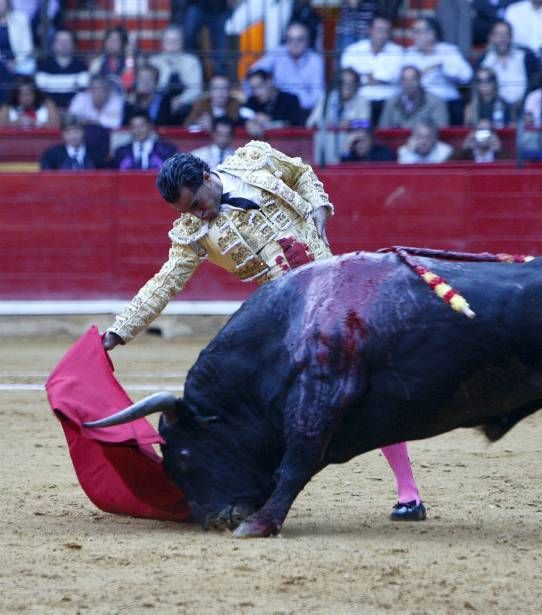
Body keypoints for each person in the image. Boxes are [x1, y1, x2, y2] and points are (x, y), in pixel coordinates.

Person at [102, 145, 427, 521]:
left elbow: (301, 171)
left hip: (336, 296)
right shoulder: (192, 233)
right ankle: (248, 493)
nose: (197, 214)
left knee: (366, 387)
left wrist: (319, 205)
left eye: (197, 204)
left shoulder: (254, 159)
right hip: (286, 321)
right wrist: (117, 333)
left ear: (207, 176)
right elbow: (163, 284)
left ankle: (409, 493)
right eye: (187, 211)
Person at [402, 16, 473, 125]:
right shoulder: (409, 54)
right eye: (414, 31)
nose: (413, 36)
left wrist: (444, 68)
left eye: (418, 32)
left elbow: (467, 75)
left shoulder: (448, 51)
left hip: (447, 102)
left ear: (431, 34)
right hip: (420, 105)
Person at [249, 21, 325, 120]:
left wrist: (293, 102)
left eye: (300, 39)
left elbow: (317, 96)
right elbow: (253, 73)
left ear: (308, 41)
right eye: (290, 39)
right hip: (278, 109)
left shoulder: (315, 60)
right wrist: (257, 95)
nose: (294, 44)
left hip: (305, 111)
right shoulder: (278, 52)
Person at [341, 13, 405, 125]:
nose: (383, 35)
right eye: (379, 30)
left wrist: (364, 78)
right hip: (360, 101)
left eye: (387, 31)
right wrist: (382, 80)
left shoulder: (399, 52)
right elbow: (347, 79)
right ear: (369, 30)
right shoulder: (352, 50)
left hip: (389, 102)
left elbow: (397, 78)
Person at [477, 19, 542, 109]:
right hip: (496, 110)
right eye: (498, 34)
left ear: (511, 37)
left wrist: (525, 101)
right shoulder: (485, 61)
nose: (502, 38)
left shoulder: (525, 56)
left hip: (525, 108)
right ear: (491, 38)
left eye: (506, 34)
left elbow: (536, 83)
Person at [148, 25, 204, 123]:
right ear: (163, 43)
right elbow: (152, 89)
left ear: (182, 42)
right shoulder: (154, 61)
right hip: (160, 104)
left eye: (176, 40)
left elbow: (196, 90)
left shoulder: (192, 61)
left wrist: (180, 100)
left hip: (185, 106)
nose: (172, 44)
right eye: (169, 41)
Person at [378, 64, 449, 128]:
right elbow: (383, 129)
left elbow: (441, 129)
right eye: (405, 80)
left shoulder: (436, 102)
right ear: (400, 82)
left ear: (419, 80)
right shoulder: (391, 103)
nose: (409, 84)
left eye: (413, 79)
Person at [35, 29, 89, 109]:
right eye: (59, 41)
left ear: (73, 45)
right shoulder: (43, 67)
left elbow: (83, 92)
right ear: (53, 45)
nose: (63, 44)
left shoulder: (81, 67)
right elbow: (41, 93)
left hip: (75, 110)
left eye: (67, 41)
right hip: (49, 111)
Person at [239, 69, 306, 129]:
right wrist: (250, 122)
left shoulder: (290, 100)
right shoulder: (252, 101)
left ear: (269, 82)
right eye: (253, 88)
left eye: (259, 86)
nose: (256, 92)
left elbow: (297, 124)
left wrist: (271, 120)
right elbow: (240, 117)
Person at [111, 111, 178, 171]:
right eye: (134, 127)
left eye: (141, 126)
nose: (138, 130)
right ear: (130, 129)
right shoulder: (121, 152)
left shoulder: (167, 150)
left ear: (150, 126)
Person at [182, 0, 230, 77]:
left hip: (219, 8)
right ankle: (191, 71)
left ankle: (220, 77)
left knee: (221, 43)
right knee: (188, 34)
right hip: (196, 5)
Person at [40, 114, 105, 170]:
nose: (73, 136)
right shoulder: (51, 155)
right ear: (62, 134)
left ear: (83, 132)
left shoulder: (96, 154)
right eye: (68, 132)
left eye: (76, 131)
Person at [0, 0, 35, 103]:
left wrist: (15, 62)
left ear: (7, 3)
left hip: (19, 61)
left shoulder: (21, 19)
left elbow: (27, 48)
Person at [89, 26, 136, 95]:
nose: (112, 43)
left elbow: (128, 84)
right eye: (110, 39)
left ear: (122, 44)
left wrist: (129, 56)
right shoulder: (97, 62)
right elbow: (93, 87)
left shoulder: (129, 61)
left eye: (116, 40)